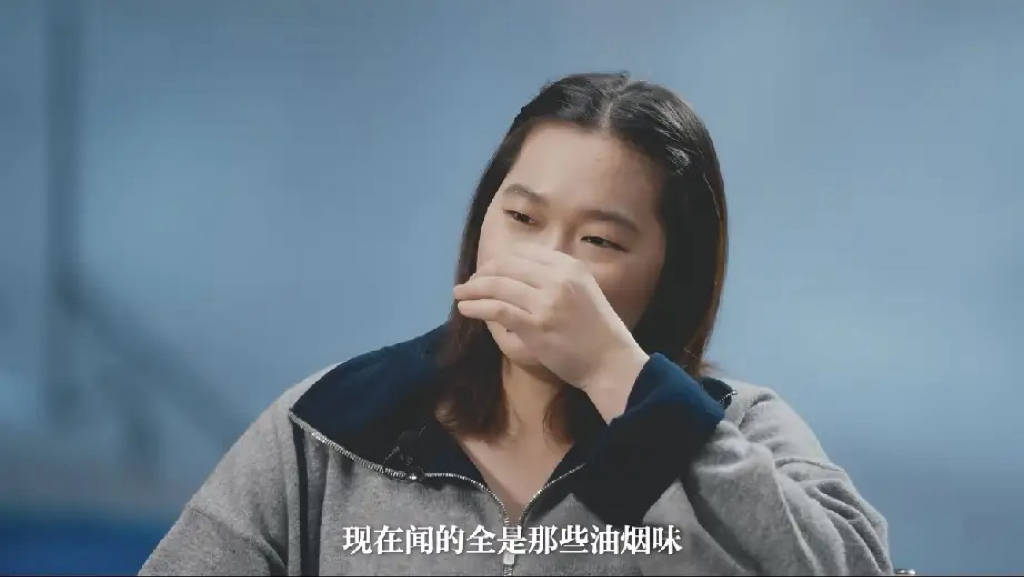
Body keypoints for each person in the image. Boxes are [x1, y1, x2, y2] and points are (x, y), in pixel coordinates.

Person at [139, 71, 893, 575]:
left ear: (674, 271)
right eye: (523, 218)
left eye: (599, 241)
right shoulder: (333, 426)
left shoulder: (738, 429)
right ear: (482, 222)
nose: (547, 265)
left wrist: (620, 379)